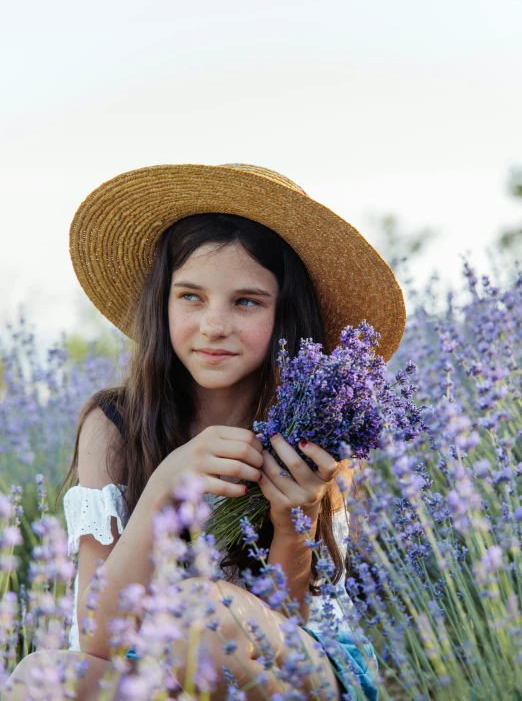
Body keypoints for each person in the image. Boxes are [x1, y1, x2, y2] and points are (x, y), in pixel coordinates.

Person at [4, 163, 405, 701]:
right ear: (162, 302)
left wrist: (295, 520)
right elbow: (98, 637)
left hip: (295, 666)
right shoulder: (116, 426)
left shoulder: (317, 425)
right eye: (190, 296)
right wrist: (166, 484)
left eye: (246, 302)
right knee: (39, 676)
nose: (213, 325)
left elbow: (294, 615)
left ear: (285, 312)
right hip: (152, 670)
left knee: (204, 614)